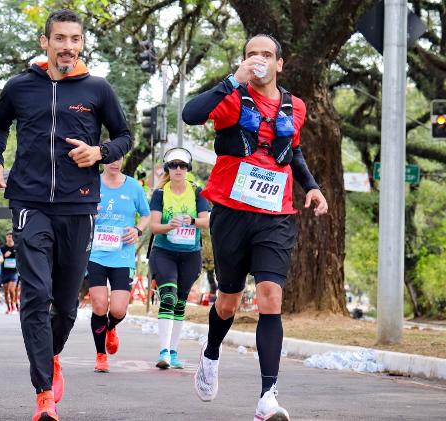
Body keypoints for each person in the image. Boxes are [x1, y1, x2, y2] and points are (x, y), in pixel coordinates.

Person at [0, 9, 131, 421]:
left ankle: (52, 356)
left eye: (75, 39)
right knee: (36, 295)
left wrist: (100, 152)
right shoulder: (19, 87)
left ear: (82, 44)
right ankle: (43, 393)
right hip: (28, 201)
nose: (68, 46)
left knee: (65, 306)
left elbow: (125, 137)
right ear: (44, 42)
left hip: (79, 203)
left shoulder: (98, 90)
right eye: (60, 38)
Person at [182, 34, 328, 421]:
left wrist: (311, 187)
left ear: (280, 63)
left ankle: (268, 397)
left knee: (270, 297)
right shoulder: (231, 97)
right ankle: (211, 353)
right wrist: (233, 79)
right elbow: (190, 115)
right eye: (251, 54)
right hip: (231, 211)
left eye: (266, 55)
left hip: (275, 215)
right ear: (244, 61)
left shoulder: (295, 107)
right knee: (228, 301)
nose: (259, 59)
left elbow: (292, 150)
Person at [147, 148, 210, 369]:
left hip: (190, 254)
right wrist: (169, 225)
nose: (178, 169)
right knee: (168, 297)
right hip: (164, 252)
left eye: (182, 166)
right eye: (173, 165)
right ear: (168, 169)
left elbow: (207, 221)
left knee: (180, 303)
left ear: (187, 169)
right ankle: (163, 351)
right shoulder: (160, 194)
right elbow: (154, 227)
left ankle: (173, 352)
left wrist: (191, 221)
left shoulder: (197, 192)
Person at [88, 157, 150, 372]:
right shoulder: (92, 182)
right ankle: (100, 355)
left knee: (117, 308)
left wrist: (138, 230)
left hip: (122, 255)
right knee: (98, 305)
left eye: (118, 158)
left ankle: (111, 327)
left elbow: (146, 215)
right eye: (109, 158)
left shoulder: (133, 186)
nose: (114, 162)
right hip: (95, 254)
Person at [0, 232, 19, 314]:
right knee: (6, 291)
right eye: (8, 237)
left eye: (11, 237)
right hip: (4, 272)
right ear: (6, 238)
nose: (10, 238)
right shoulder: (2, 248)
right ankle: (8, 307)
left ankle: (13, 304)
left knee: (12, 289)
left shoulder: (17, 247)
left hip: (14, 272)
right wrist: (4, 256)